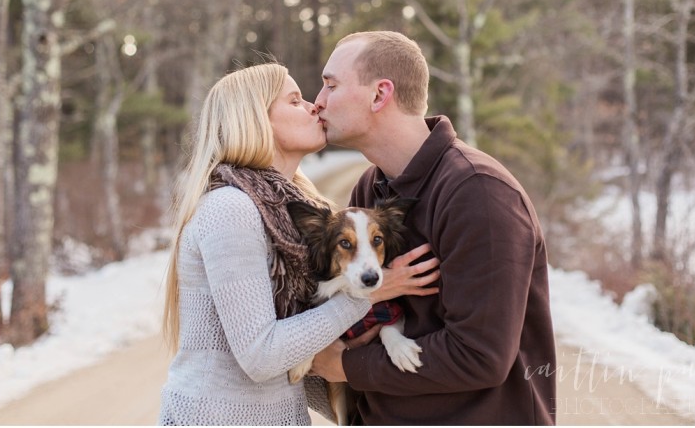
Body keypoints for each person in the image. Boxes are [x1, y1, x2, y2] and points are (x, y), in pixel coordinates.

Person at [159, 63, 440, 426]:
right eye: (295, 100)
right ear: (256, 120)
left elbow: (299, 353)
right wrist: (369, 293)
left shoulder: (290, 210)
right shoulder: (230, 208)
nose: (314, 106)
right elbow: (262, 357)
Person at [310, 31, 556, 426]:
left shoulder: (479, 194)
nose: (318, 101)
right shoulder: (370, 189)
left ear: (379, 95)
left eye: (330, 85)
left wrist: (348, 366)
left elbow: (480, 356)